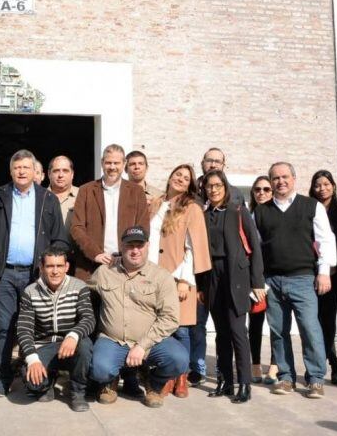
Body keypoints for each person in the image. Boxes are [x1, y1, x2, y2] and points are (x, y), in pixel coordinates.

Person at [0, 149, 67, 397]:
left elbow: (59, 240)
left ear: (34, 171)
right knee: (4, 328)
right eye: (17, 168)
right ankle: (3, 379)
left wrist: (52, 273)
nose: (22, 171)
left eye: (27, 167)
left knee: (37, 329)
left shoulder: (48, 199)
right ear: (11, 171)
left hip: (36, 277)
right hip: (3, 276)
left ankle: (35, 376)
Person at [254, 162, 336, 399]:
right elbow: (256, 250)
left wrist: (323, 272)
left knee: (310, 329)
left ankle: (316, 379)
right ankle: (286, 377)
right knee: (278, 331)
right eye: (276, 178)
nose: (281, 181)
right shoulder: (260, 211)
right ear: (271, 181)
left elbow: (325, 240)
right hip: (273, 281)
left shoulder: (312, 206)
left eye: (285, 177)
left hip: (303, 279)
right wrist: (258, 281)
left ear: (294, 178)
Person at [88, 226, 188, 408]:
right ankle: (109, 382)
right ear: (121, 246)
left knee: (179, 359)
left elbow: (171, 318)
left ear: (148, 245)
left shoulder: (161, 276)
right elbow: (84, 293)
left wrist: (142, 346)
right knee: (98, 369)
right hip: (113, 340)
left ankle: (153, 383)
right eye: (129, 245)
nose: (135, 250)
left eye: (139, 245)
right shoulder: (104, 272)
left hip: (150, 342)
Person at [198, 170, 265, 403]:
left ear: (225, 187)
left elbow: (254, 247)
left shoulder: (238, 211)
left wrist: (257, 282)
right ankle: (224, 381)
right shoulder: (204, 215)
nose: (213, 189)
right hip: (212, 276)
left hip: (235, 275)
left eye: (217, 185)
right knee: (221, 333)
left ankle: (244, 383)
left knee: (238, 331)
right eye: (209, 186)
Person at [147, 164, 211, 398]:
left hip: (177, 276)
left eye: (186, 178)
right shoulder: (156, 202)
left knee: (181, 330)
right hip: (152, 276)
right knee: (159, 328)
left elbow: (193, 246)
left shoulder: (191, 208)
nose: (180, 179)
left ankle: (181, 376)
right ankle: (166, 374)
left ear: (190, 185)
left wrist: (185, 279)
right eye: (178, 175)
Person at [16, 246, 95, 412]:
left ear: (66, 267)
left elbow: (88, 318)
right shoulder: (30, 292)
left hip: (70, 344)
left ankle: (77, 392)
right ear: (42, 267)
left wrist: (73, 335)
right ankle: (47, 382)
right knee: (33, 382)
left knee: (85, 345)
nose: (55, 271)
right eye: (50, 266)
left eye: (59, 266)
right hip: (43, 345)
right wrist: (32, 359)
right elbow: (24, 329)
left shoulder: (79, 287)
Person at [71, 144, 149, 281]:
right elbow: (77, 228)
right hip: (91, 265)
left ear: (124, 164)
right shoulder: (86, 191)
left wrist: (128, 255)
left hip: (126, 266)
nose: (112, 167)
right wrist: (95, 253)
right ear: (102, 163)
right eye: (108, 162)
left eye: (116, 163)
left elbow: (142, 229)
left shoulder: (136, 192)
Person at [309, 170, 337, 386]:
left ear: (333, 186)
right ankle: (331, 362)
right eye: (318, 185)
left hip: (335, 274)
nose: (322, 188)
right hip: (310, 273)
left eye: (326, 184)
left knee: (328, 321)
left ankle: (325, 364)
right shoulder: (308, 209)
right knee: (314, 322)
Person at [246, 175, 277, 385]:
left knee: (276, 323)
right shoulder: (249, 217)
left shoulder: (280, 215)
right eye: (258, 190)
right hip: (255, 278)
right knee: (255, 323)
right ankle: (255, 363)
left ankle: (275, 365)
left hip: (276, 276)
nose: (262, 193)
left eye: (267, 189)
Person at [48, 155, 78, 233]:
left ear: (72, 174)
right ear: (49, 174)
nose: (60, 175)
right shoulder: (40, 196)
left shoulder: (83, 195)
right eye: (56, 171)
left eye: (65, 171)